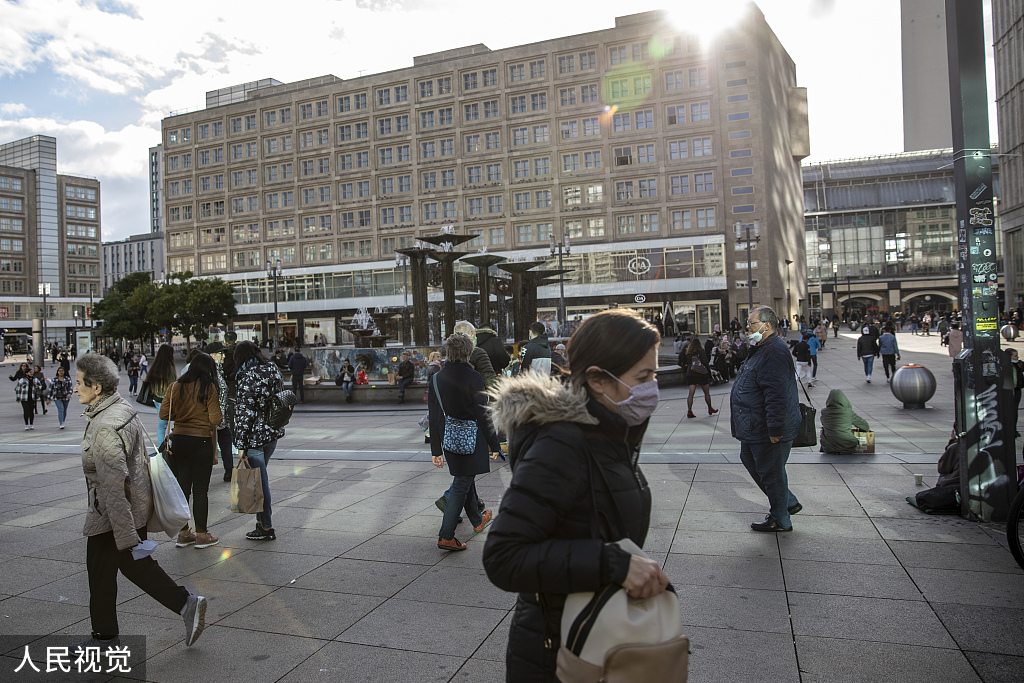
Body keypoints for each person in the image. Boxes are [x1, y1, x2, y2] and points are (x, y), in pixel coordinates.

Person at [482, 309, 667, 680]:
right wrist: (613, 564)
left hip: (595, 631)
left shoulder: (611, 431)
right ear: (598, 380)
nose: (652, 387)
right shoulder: (562, 444)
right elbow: (503, 555)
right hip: (558, 651)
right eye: (643, 377)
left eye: (655, 374)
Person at [74, 352, 207, 652]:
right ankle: (185, 605)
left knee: (101, 572)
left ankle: (105, 640)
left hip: (112, 514)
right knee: (133, 568)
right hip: (128, 509)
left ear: (97, 388)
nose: (75, 387)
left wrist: (125, 535)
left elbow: (112, 485)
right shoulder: (119, 408)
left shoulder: (105, 425)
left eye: (80, 382)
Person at [729, 306, 802, 532]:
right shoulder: (763, 348)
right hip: (754, 425)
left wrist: (775, 428)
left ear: (767, 325)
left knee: (771, 472)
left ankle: (781, 518)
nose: (747, 328)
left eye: (751, 323)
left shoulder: (774, 351)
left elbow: (777, 394)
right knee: (753, 461)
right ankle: (787, 502)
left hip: (766, 427)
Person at [428, 334, 500, 551]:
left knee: (465, 478)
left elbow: (435, 416)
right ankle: (446, 535)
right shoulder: (474, 376)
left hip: (450, 438)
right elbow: (483, 413)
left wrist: (436, 450)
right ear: (469, 352)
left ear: (447, 352)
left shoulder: (436, 379)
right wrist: (494, 444)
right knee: (462, 483)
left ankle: (477, 520)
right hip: (471, 439)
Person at [161, 353, 223, 550]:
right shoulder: (208, 388)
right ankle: (203, 536)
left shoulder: (175, 386)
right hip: (201, 441)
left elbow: (164, 413)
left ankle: (183, 533)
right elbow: (216, 419)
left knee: (182, 490)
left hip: (179, 441)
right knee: (200, 490)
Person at [233, 341, 285, 541]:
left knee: (260, 484)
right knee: (259, 481)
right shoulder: (272, 368)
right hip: (272, 433)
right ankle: (260, 522)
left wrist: (241, 445)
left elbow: (244, 413)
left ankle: (266, 527)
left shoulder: (247, 375)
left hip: (255, 437)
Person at [203, 341, 234, 482]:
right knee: (210, 450)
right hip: (213, 419)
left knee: (226, 441)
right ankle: (204, 476)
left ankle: (229, 471)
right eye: (220, 353)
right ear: (211, 355)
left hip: (222, 419)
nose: (223, 355)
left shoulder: (218, 370)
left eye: (224, 353)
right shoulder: (208, 372)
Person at [819, 389, 870, 455]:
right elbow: (865, 426)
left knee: (825, 437)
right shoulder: (848, 412)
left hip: (828, 447)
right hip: (847, 445)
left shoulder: (824, 412)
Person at [147, 344, 177, 447]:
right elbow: (173, 386)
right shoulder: (170, 368)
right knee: (176, 423)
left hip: (157, 399)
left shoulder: (155, 367)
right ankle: (169, 446)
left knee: (161, 426)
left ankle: (161, 449)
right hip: (167, 401)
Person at [681, 336, 716, 418]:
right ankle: (710, 408)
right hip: (701, 374)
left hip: (691, 373)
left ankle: (689, 411)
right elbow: (705, 361)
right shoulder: (701, 351)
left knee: (691, 393)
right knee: (706, 393)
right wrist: (708, 371)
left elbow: (683, 359)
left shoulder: (688, 352)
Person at [49, 365, 74, 429]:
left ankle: (63, 420)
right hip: (57, 397)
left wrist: (69, 394)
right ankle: (61, 423)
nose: (61, 372)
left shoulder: (67, 379)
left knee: (64, 410)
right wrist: (48, 398)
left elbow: (70, 387)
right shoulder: (54, 379)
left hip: (65, 397)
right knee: (61, 409)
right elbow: (50, 389)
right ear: (57, 372)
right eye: (59, 371)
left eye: (62, 371)